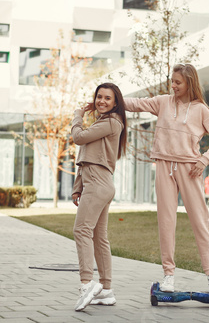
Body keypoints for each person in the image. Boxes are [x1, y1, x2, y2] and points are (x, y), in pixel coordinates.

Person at [124, 64, 209, 293]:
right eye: (172, 81)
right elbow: (136, 103)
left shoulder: (201, 110)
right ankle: (168, 275)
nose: (173, 85)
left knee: (200, 221)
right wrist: (112, 98)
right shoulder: (162, 102)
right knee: (166, 221)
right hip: (163, 165)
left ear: (190, 83)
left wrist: (204, 160)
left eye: (178, 82)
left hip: (190, 169)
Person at [71, 83, 127, 312]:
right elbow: (87, 156)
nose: (102, 101)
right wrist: (77, 187)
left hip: (97, 183)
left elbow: (78, 138)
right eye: (99, 97)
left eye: (107, 98)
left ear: (115, 103)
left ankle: (87, 284)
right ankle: (105, 289)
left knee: (81, 230)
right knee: (98, 237)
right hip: (99, 182)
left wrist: (77, 114)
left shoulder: (112, 122)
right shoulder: (103, 123)